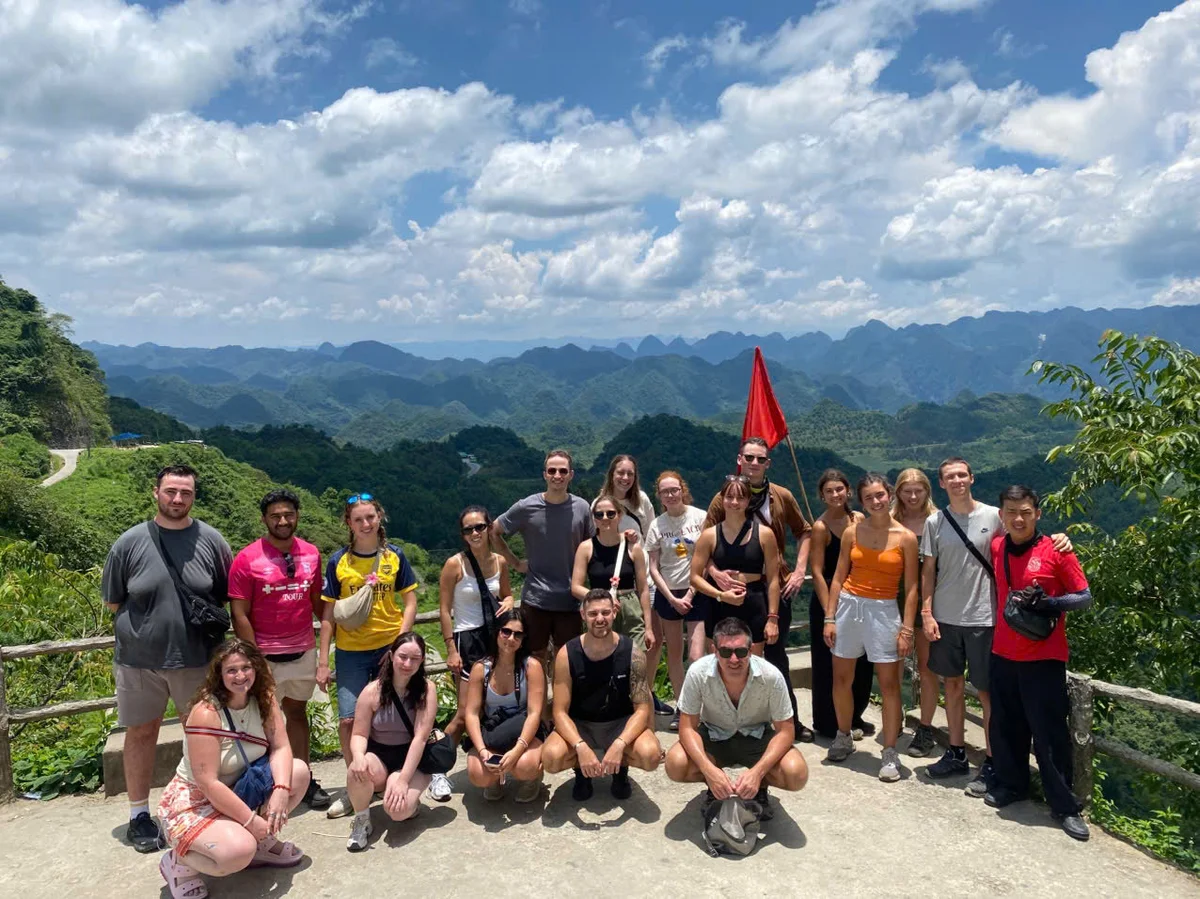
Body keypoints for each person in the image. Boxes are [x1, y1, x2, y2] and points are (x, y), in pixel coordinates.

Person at [920, 459, 1072, 796]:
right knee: (953, 687)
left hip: (987, 617)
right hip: (946, 616)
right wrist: (927, 612)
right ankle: (957, 751)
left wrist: (1058, 539)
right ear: (941, 483)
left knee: (989, 694)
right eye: (949, 477)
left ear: (972, 478)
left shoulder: (994, 516)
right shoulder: (935, 522)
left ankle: (993, 760)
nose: (957, 480)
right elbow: (928, 570)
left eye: (962, 474)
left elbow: (1024, 541)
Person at [103, 463, 233, 853]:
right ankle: (139, 814)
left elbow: (228, 596)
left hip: (197, 659)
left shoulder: (211, 541)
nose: (178, 499)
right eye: (171, 491)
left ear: (194, 496)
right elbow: (113, 601)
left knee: (204, 735)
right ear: (156, 492)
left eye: (186, 493)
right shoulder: (128, 543)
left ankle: (199, 805)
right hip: (138, 660)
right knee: (141, 733)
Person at [156, 639, 308, 898]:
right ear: (219, 674)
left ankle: (259, 842)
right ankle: (180, 863)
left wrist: (281, 789)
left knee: (298, 772)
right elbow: (208, 782)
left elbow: (281, 746)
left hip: (241, 786)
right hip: (199, 799)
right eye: (232, 670)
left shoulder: (263, 698)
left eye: (246, 668)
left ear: (257, 668)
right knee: (238, 853)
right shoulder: (206, 712)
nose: (241, 676)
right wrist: (251, 821)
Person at [985, 486, 1092, 842]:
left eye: (1026, 512)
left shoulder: (1057, 552)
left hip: (1044, 656)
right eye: (1012, 511)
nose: (1018, 518)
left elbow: (1083, 597)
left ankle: (1064, 806)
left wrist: (1049, 604)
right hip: (1002, 651)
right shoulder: (997, 546)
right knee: (1007, 726)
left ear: (1037, 514)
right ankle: (1011, 785)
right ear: (1002, 515)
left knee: (1049, 735)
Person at [702, 437, 814, 741]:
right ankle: (733, 721)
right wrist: (714, 573)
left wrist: (800, 570)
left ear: (768, 463)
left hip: (771, 589)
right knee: (729, 657)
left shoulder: (781, 496)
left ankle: (789, 721)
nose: (754, 463)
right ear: (740, 459)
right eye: (748, 457)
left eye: (760, 459)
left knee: (775, 659)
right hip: (730, 594)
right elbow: (705, 543)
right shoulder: (722, 498)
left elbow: (805, 532)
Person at [228, 488, 331, 810]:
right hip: (264, 656)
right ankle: (265, 782)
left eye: (288, 514)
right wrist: (253, 658)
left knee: (297, 715)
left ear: (297, 516)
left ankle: (303, 777)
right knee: (260, 721)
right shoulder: (247, 558)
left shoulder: (312, 554)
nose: (283, 521)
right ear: (264, 519)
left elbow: (318, 604)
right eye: (275, 516)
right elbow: (239, 612)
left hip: (302, 650)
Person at [322, 494, 423, 817]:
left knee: (401, 713)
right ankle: (357, 787)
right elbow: (328, 613)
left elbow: (410, 602)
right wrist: (323, 660)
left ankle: (403, 775)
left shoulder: (395, 556)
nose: (366, 524)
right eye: (358, 519)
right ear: (348, 524)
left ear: (380, 518)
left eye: (371, 517)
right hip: (351, 651)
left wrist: (400, 643)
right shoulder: (339, 561)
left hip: (388, 648)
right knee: (349, 719)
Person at [824, 473, 919, 782]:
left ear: (889, 494)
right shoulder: (852, 532)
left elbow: (913, 588)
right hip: (850, 605)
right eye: (869, 497)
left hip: (885, 609)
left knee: (890, 685)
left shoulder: (905, 537)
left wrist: (906, 629)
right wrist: (829, 616)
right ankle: (843, 734)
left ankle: (889, 751)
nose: (876, 501)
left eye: (880, 495)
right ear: (861, 501)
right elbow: (838, 576)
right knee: (841, 678)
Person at [666, 617, 808, 818]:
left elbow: (786, 731)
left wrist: (758, 773)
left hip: (757, 735)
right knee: (675, 764)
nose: (734, 659)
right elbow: (687, 727)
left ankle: (758, 788)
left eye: (741, 652)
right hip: (714, 734)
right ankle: (716, 788)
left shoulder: (771, 676)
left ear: (750, 651)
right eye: (725, 652)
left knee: (796, 774)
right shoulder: (698, 673)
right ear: (714, 650)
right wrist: (709, 771)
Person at [541, 589, 663, 800]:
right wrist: (580, 746)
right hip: (581, 724)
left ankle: (620, 770)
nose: (600, 619)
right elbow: (559, 711)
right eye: (593, 614)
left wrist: (620, 743)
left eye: (605, 613)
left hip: (619, 723)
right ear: (583, 615)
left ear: (615, 613)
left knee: (651, 756)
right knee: (551, 758)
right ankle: (582, 771)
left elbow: (643, 707)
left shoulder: (633, 652)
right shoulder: (567, 654)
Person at [492, 448, 594, 667]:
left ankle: (560, 702)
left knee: (566, 661)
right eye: (552, 470)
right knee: (533, 659)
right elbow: (494, 531)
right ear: (544, 474)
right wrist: (516, 563)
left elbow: (593, 546)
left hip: (570, 600)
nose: (557, 475)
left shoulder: (582, 508)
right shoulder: (527, 506)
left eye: (563, 471)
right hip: (536, 599)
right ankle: (536, 702)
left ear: (571, 475)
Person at [345, 632, 442, 851]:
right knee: (355, 770)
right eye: (402, 656)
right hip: (379, 755)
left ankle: (411, 802)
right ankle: (361, 819)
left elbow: (420, 738)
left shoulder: (427, 691)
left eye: (415, 658)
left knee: (398, 812)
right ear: (391, 656)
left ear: (422, 661)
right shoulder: (371, 692)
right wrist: (359, 757)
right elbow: (359, 734)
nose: (407, 664)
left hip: (411, 758)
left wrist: (402, 780)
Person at [439, 505, 514, 747]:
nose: (475, 533)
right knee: (464, 712)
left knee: (489, 703)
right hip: (467, 638)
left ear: (489, 528)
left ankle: (484, 753)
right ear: (463, 535)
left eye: (480, 527)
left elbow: (506, 594)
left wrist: (511, 600)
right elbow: (444, 609)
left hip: (495, 637)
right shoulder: (455, 564)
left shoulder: (500, 562)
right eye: (468, 529)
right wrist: (451, 649)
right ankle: (434, 761)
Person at [809, 469, 874, 741]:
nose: (835, 495)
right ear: (821, 495)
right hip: (830, 603)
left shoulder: (858, 519)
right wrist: (829, 614)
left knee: (861, 661)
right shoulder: (821, 527)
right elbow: (817, 572)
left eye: (839, 489)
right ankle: (828, 722)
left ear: (848, 491)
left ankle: (854, 714)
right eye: (829, 491)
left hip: (859, 599)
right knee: (828, 664)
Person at [644, 471, 709, 731]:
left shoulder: (700, 517)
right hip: (667, 593)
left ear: (683, 489)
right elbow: (653, 566)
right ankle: (682, 707)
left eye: (674, 489)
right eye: (664, 491)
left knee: (696, 655)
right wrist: (670, 597)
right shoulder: (656, 525)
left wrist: (691, 593)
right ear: (658, 495)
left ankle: (697, 706)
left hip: (698, 592)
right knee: (674, 654)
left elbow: (707, 559)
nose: (670, 495)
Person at [691, 475, 782, 657]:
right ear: (722, 499)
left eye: (740, 498)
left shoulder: (765, 535)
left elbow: (773, 580)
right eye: (729, 497)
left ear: (748, 501)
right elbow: (694, 577)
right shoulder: (709, 536)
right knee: (718, 662)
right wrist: (720, 595)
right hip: (718, 606)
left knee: (752, 664)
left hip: (753, 602)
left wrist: (772, 618)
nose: (734, 502)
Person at [462, 609, 546, 802]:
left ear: (524, 639)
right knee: (478, 774)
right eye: (506, 632)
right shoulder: (481, 669)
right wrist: (482, 751)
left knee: (524, 766)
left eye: (518, 634)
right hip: (494, 731)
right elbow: (472, 713)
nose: (511, 638)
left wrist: (518, 749)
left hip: (525, 731)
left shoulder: (531, 666)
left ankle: (531, 778)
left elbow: (535, 713)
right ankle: (493, 780)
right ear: (497, 632)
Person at [892, 467, 940, 759]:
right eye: (906, 491)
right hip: (891, 602)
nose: (912, 496)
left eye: (918, 491)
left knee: (927, 668)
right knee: (892, 666)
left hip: (928, 605)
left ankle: (925, 728)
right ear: (897, 492)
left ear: (927, 491)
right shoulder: (890, 521)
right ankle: (894, 720)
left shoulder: (939, 522)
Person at [571, 493, 656, 653]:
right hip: (599, 610)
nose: (605, 518)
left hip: (630, 608)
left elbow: (643, 589)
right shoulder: (586, 548)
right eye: (599, 514)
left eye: (611, 513)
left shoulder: (633, 548)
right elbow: (575, 587)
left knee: (635, 659)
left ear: (619, 515)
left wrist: (649, 628)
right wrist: (604, 598)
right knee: (601, 656)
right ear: (594, 518)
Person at [595, 453, 656, 539]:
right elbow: (594, 537)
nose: (625, 478)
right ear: (612, 474)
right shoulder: (599, 504)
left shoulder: (642, 499)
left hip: (638, 551)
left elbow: (651, 535)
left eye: (630, 474)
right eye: (620, 473)